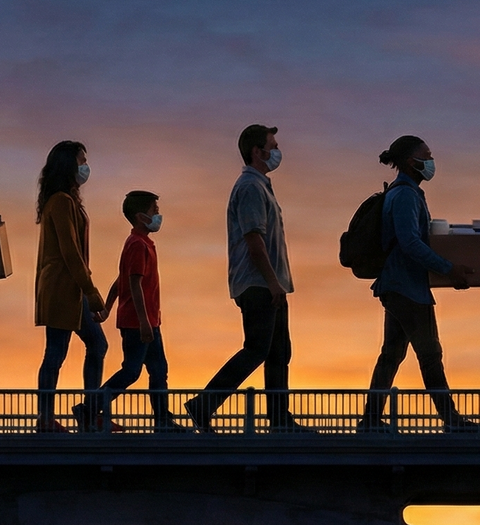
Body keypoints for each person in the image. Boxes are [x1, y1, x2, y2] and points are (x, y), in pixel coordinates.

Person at [361, 136, 480, 433]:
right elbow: (409, 243)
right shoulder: (405, 195)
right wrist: (448, 268)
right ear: (410, 161)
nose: (431, 161)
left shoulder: (408, 193)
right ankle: (452, 420)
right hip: (406, 287)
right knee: (430, 354)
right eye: (426, 155)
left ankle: (370, 421)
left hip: (400, 285)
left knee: (392, 353)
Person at [184, 124, 306, 434]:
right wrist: (273, 282)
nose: (277, 151)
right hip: (258, 284)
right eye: (272, 145)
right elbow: (254, 240)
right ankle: (203, 404)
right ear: (257, 151)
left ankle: (280, 420)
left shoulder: (261, 186)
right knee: (257, 348)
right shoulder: (250, 188)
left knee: (279, 351)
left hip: (270, 283)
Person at [85, 191, 186, 433]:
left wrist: (107, 309)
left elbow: (121, 279)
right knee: (132, 371)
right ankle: (88, 409)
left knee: (159, 370)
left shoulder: (142, 244)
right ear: (141, 216)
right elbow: (133, 283)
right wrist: (143, 323)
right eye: (154, 211)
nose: (158, 215)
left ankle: (162, 420)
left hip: (149, 320)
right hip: (138, 322)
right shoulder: (137, 245)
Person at [33, 141, 108, 433]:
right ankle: (46, 418)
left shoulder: (64, 200)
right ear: (68, 166)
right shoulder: (61, 201)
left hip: (72, 288)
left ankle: (88, 413)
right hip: (63, 289)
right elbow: (70, 251)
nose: (85, 167)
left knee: (94, 344)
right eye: (81, 161)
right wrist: (91, 292)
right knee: (56, 352)